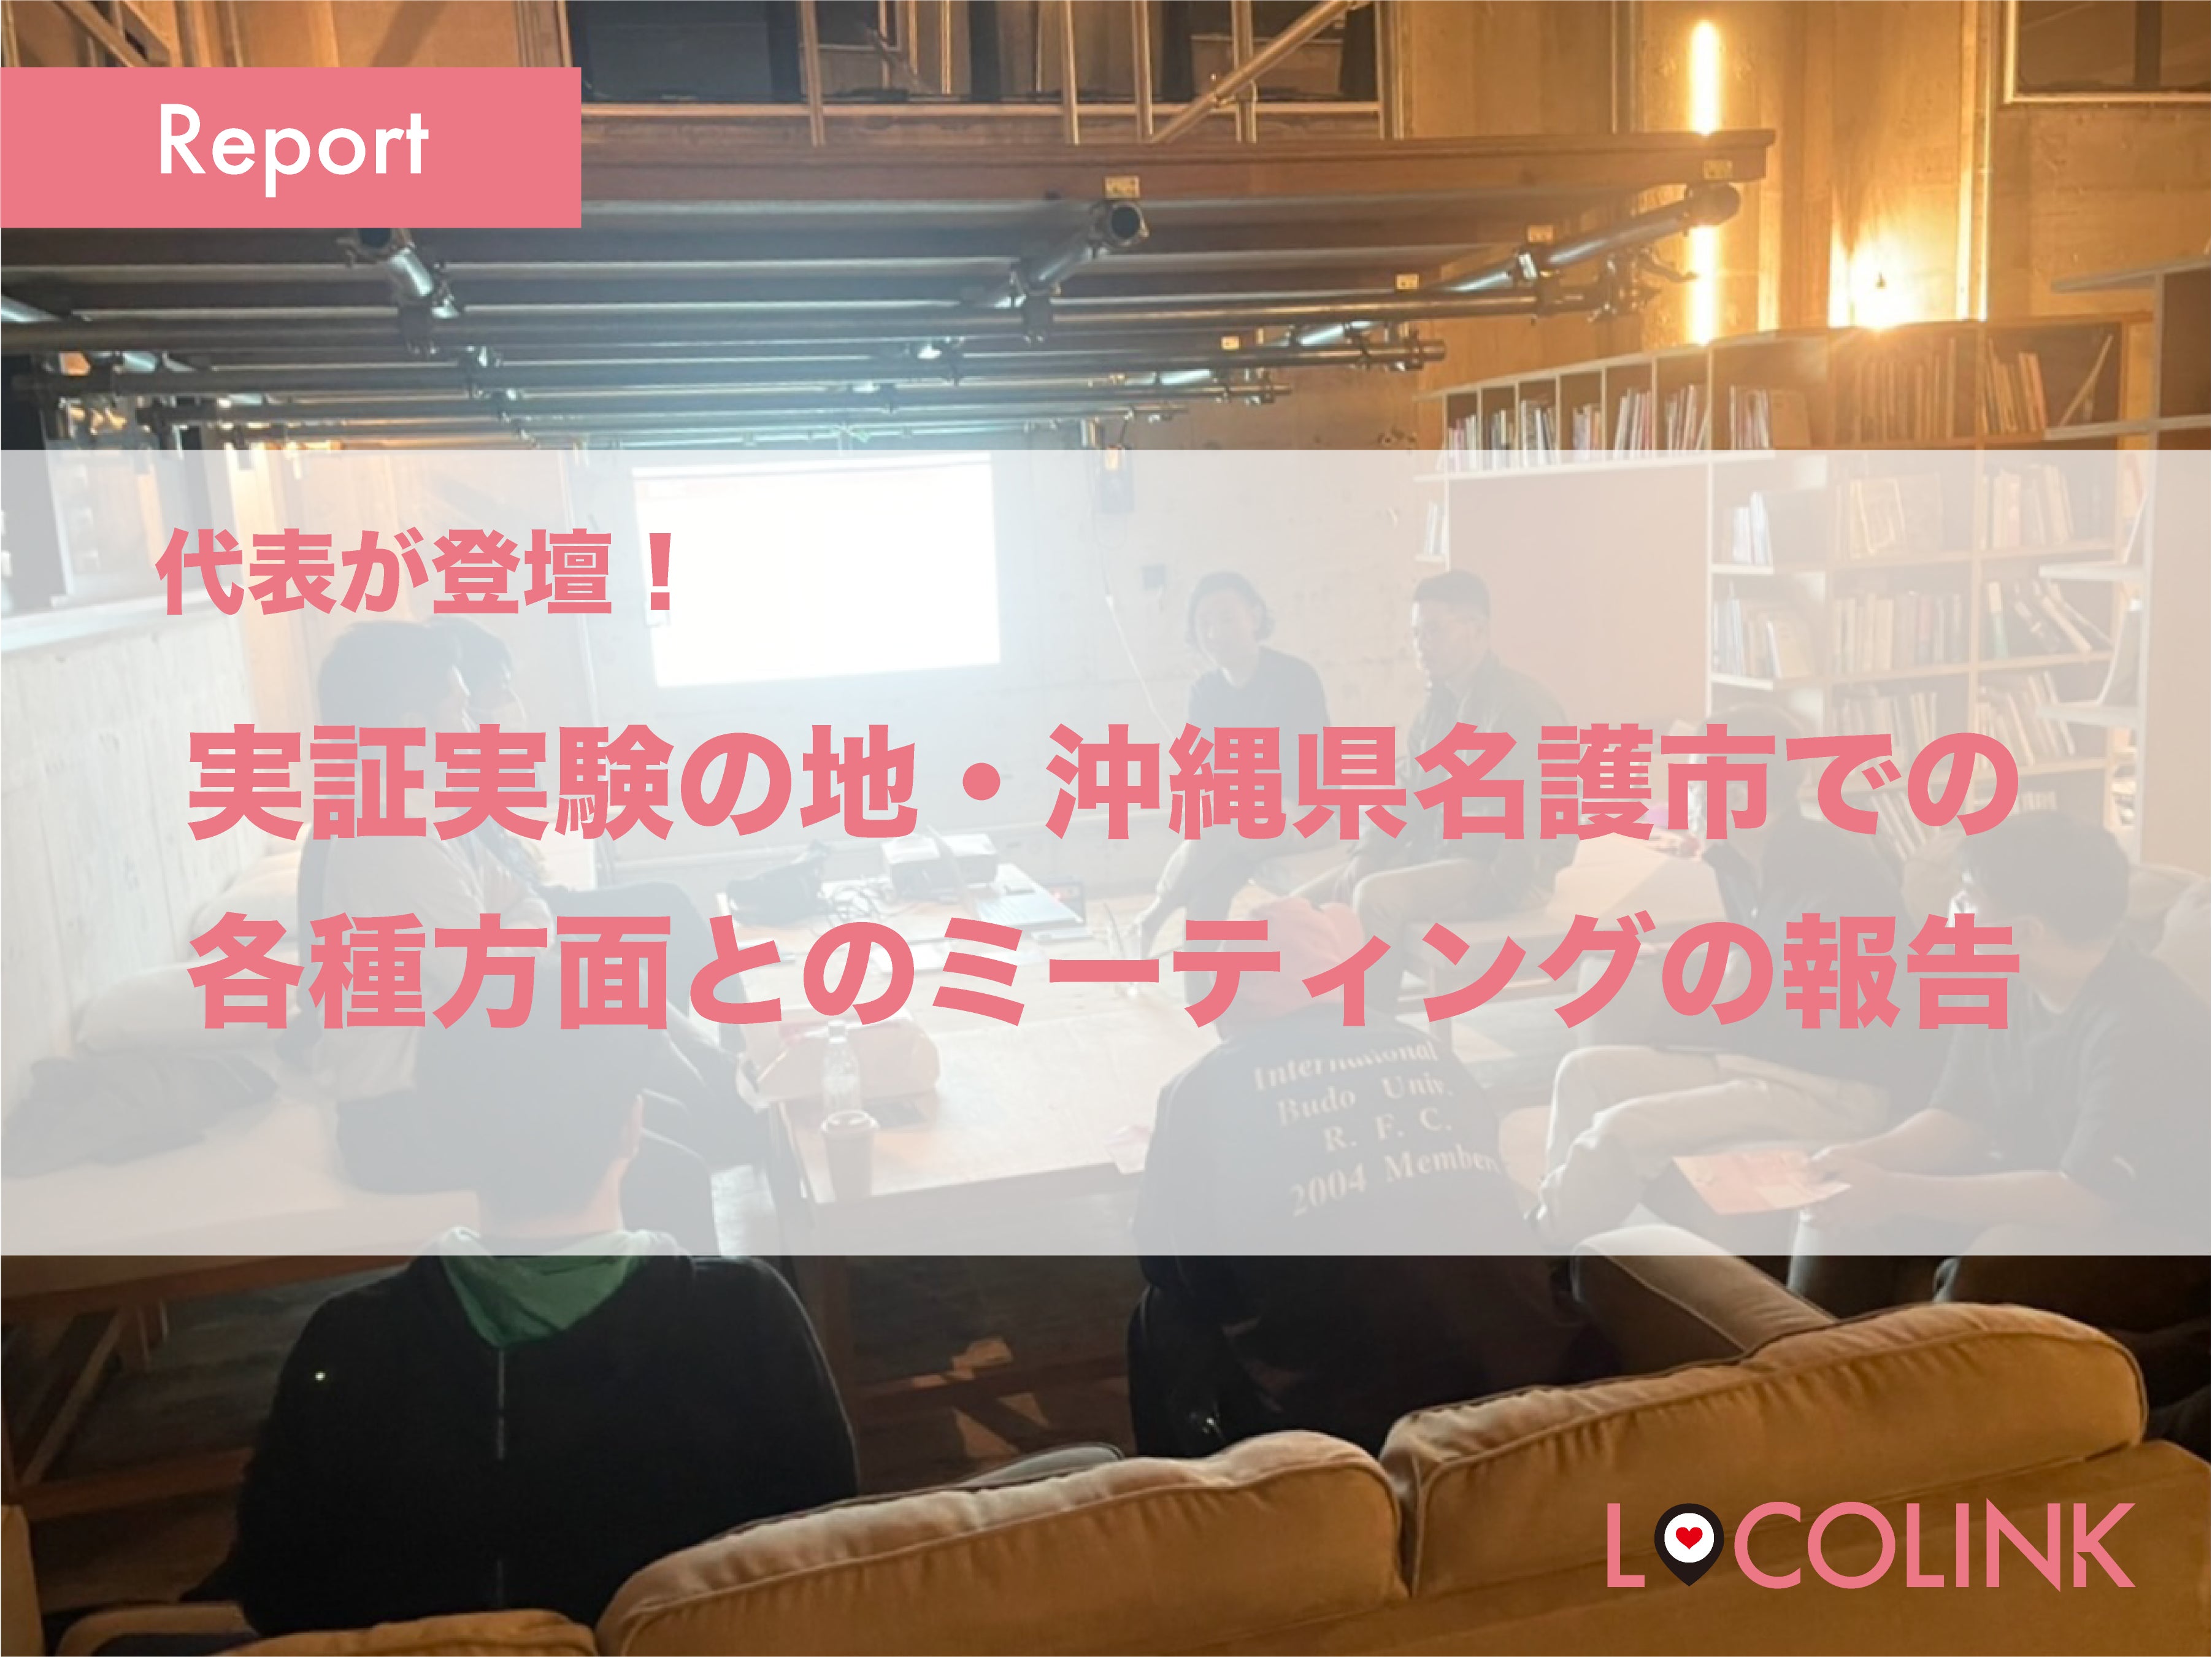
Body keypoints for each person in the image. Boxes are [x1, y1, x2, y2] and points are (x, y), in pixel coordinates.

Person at [221, 1021, 858, 1637]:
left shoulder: (348, 1342)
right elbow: (826, 1543)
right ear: (633, 1125)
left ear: (443, 1137)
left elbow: (277, 1589)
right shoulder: (748, 1314)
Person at [1788, 811, 2209, 1458]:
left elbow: (2081, 1198)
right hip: (2048, 1188)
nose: (1951, 912)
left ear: (2026, 930)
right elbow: (1958, 1117)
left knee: (1992, 1262)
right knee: (1839, 1204)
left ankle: (1909, 1439)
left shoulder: (2144, 1020)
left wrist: (1894, 1190)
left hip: (2160, 1239)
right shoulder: (2001, 982)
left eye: (1966, 899)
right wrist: (1857, 1160)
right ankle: (1802, 1400)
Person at [1129, 898, 1611, 1457]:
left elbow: (1166, 1263)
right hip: (1537, 1374)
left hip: (1355, 1423)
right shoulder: (1428, 1051)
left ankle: (1196, 1491)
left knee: (1160, 1313)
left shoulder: (1200, 1088)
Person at [301, 621, 728, 1248]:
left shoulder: (423, 813)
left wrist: (515, 929)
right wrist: (520, 932)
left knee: (675, 1110)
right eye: (459, 710)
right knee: (673, 1170)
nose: (473, 726)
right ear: (410, 728)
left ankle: (746, 1112)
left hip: (462, 1081)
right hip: (404, 1118)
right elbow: (493, 981)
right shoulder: (389, 836)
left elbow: (521, 906)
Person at [1532, 704, 1945, 1246]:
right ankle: (1557, 1231)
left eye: (1698, 781)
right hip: (1763, 1060)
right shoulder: (1737, 861)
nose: (1687, 796)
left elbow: (1821, 1005)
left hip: (1833, 1087)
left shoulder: (1839, 874)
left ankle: (1540, 1251)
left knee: (1620, 1130)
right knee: (1583, 1073)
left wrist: (1724, 1000)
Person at [1293, 569, 1574, 945]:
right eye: (1416, 634)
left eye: (1434, 631)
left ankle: (1370, 989)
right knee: (1298, 906)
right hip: (1444, 854)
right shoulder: (1436, 710)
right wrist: (1369, 853)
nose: (1422, 645)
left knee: (1375, 898)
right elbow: (1406, 794)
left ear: (1478, 629)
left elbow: (1535, 824)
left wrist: (1485, 901)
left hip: (1506, 870)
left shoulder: (1523, 707)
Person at [1135, 572, 1331, 959]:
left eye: (1226, 619)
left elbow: (1307, 772)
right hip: (1239, 822)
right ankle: (1201, 993)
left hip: (1308, 811)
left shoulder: (1295, 678)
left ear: (1254, 617)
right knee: (1206, 894)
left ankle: (1154, 915)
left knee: (1226, 824)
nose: (1214, 633)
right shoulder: (1205, 693)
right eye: (1204, 623)